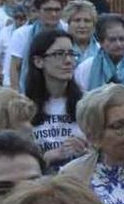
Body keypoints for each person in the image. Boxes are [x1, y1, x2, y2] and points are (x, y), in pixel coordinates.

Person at [25, 29, 88, 170]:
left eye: (71, 54)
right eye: (59, 54)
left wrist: (86, 152)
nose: (68, 61)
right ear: (38, 61)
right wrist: (48, 157)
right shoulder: (23, 106)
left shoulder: (87, 102)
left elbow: (101, 154)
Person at [9, 0, 67, 92]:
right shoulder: (22, 34)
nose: (53, 14)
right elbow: (14, 68)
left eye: (57, 10)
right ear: (38, 11)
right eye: (48, 10)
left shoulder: (68, 32)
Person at [75, 14, 124, 91]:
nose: (118, 44)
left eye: (122, 39)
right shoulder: (85, 68)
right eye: (112, 40)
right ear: (101, 42)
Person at [0, 4, 28, 88]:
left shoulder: (30, 31)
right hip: (7, 76)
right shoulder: (5, 32)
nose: (19, 21)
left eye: (22, 18)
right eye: (16, 18)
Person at [62, 0, 99, 65]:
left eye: (87, 21)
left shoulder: (102, 49)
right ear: (68, 23)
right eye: (77, 20)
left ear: (94, 25)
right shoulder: (59, 50)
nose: (82, 25)